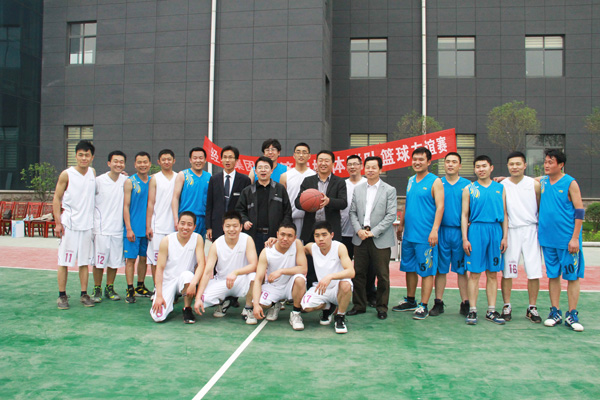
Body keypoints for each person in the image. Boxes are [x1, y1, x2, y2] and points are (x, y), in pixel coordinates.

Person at [393, 147, 444, 320]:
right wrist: (401, 225)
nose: (417, 162)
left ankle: (424, 305)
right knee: (409, 268)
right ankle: (411, 300)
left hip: (425, 236)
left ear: (429, 162)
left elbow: (440, 207)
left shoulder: (435, 181)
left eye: (421, 159)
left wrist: (434, 230)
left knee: (426, 271)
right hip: (409, 234)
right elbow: (407, 204)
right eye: (414, 159)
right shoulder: (411, 180)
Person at [538, 149, 585, 332]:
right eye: (545, 161)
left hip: (567, 241)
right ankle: (555, 311)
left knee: (572, 277)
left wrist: (575, 238)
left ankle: (572, 313)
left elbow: (579, 211)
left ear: (561, 165)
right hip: (548, 239)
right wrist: (505, 179)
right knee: (553, 276)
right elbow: (527, 180)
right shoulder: (543, 181)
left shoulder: (570, 183)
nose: (547, 165)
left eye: (551, 162)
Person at [348, 156, 397, 319]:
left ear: (380, 170)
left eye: (374, 167)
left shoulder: (389, 190)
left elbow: (391, 215)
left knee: (382, 275)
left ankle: (382, 307)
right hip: (361, 238)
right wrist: (358, 230)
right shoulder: (358, 189)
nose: (370, 170)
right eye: (367, 167)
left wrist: (374, 232)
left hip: (379, 238)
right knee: (359, 274)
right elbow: (352, 212)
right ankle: (359, 305)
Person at [461, 155, 508, 325]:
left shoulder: (500, 188)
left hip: (495, 231)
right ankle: (472, 310)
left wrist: (505, 236)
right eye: (478, 166)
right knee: (474, 273)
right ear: (474, 169)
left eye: (484, 166)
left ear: (491, 168)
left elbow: (504, 214)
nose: (481, 169)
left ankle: (491, 310)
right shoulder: (469, 189)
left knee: (492, 273)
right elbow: (464, 215)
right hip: (476, 231)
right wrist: (465, 238)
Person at [500, 151, 543, 323]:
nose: (515, 167)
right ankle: (506, 305)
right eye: (511, 164)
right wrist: (504, 236)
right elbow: (504, 212)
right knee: (508, 271)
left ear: (525, 165)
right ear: (507, 166)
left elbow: (539, 207)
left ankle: (532, 307)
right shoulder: (502, 185)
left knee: (533, 271)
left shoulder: (534, 184)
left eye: (518, 164)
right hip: (511, 231)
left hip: (531, 230)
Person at [193, 211, 258, 324]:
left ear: (241, 227)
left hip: (241, 280)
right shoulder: (216, 244)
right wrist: (198, 298)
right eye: (228, 226)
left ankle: (248, 308)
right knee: (204, 300)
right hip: (222, 281)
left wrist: (236, 273)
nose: (231, 229)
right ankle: (225, 301)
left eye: (235, 226)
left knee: (254, 277)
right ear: (223, 227)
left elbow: (254, 265)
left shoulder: (247, 240)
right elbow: (207, 272)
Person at [53, 140, 96, 309]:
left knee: (84, 262)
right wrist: (58, 223)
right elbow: (57, 198)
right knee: (64, 261)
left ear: (92, 157)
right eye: (81, 155)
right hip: (69, 225)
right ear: (76, 156)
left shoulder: (92, 172)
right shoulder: (67, 174)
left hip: (86, 226)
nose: (84, 158)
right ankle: (62, 295)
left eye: (87, 155)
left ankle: (84, 294)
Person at [295, 150, 347, 287]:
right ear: (316, 163)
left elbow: (343, 202)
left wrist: (329, 201)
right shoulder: (308, 181)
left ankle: (332, 292)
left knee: (332, 264)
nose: (323, 163)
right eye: (320, 160)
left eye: (327, 160)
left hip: (331, 231)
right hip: (311, 230)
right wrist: (307, 203)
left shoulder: (339, 182)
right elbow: (297, 202)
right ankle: (311, 293)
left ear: (333, 164)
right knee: (311, 265)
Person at [432, 152, 471, 316]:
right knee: (441, 270)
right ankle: (438, 302)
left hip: (459, 232)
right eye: (447, 161)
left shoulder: (468, 185)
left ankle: (466, 303)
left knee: (462, 270)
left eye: (454, 162)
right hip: (442, 231)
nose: (450, 164)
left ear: (460, 165)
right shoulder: (437, 183)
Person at [150, 211, 205, 324]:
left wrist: (194, 283)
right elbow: (159, 269)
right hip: (168, 281)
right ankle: (170, 297)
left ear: (194, 227)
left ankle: (187, 308)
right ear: (177, 224)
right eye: (182, 223)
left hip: (184, 280)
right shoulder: (167, 240)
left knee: (188, 276)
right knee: (158, 317)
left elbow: (201, 263)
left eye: (189, 224)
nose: (185, 227)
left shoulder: (197, 238)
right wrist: (159, 295)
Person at [301, 221, 355, 334]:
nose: (321, 239)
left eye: (324, 235)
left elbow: (351, 272)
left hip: (337, 289)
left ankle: (340, 317)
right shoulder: (311, 247)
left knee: (346, 284)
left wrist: (330, 276)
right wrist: (275, 242)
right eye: (317, 235)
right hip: (321, 288)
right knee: (305, 307)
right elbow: (294, 248)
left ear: (332, 235)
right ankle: (328, 307)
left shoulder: (339, 247)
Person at [251, 223, 308, 330]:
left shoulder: (297, 244)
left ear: (295, 237)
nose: (285, 238)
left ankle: (296, 314)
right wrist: (256, 305)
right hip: (274, 286)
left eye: (290, 236)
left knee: (300, 279)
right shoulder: (267, 251)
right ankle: (275, 304)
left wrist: (281, 271)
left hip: (290, 285)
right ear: (277, 234)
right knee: (259, 304)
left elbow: (303, 268)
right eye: (282, 234)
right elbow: (258, 279)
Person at [90, 150, 128, 303]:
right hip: (101, 229)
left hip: (118, 229)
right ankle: (97, 288)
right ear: (109, 163)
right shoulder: (98, 181)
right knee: (99, 262)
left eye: (121, 162)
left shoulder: (126, 181)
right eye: (115, 161)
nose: (118, 164)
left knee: (114, 262)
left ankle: (109, 287)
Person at [236, 156, 292, 256]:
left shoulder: (280, 189)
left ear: (271, 171)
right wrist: (244, 221)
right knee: (255, 262)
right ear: (255, 171)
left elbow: (287, 212)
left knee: (274, 261)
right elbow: (239, 210)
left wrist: (281, 232)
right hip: (254, 235)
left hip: (275, 235)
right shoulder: (247, 191)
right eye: (260, 167)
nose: (263, 170)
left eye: (266, 167)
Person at [341, 155, 376, 307]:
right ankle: (343, 294)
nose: (353, 167)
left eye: (356, 164)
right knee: (344, 266)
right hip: (344, 231)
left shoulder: (367, 183)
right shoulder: (342, 184)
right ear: (346, 167)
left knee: (368, 267)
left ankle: (370, 294)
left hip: (363, 233)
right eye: (350, 164)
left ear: (361, 166)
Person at [123, 151, 152, 303]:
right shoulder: (130, 182)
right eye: (139, 162)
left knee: (144, 258)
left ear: (150, 164)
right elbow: (126, 206)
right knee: (130, 260)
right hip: (133, 229)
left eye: (145, 162)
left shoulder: (153, 181)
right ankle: (130, 289)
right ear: (135, 164)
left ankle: (140, 285)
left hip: (146, 229)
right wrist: (128, 228)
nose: (142, 165)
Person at [206, 146, 251, 242]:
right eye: (225, 157)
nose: (227, 160)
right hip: (217, 225)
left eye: (230, 157)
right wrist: (209, 227)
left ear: (236, 160)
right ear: (221, 159)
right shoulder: (214, 179)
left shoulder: (245, 180)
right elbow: (209, 204)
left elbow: (246, 206)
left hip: (236, 226)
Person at [146, 149, 177, 273]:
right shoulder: (155, 178)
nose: (166, 162)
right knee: (156, 259)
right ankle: (156, 284)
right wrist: (148, 226)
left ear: (174, 161)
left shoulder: (179, 177)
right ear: (159, 162)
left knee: (173, 259)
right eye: (163, 160)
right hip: (157, 226)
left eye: (169, 159)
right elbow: (150, 203)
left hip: (174, 226)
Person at [172, 147, 211, 238]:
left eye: (201, 158)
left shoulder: (209, 176)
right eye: (195, 158)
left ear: (205, 160)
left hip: (202, 218)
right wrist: (176, 219)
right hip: (186, 218)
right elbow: (175, 198)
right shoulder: (183, 175)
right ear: (190, 160)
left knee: (199, 243)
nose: (198, 161)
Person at [279, 142, 316, 238]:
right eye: (298, 152)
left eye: (304, 152)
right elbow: (282, 199)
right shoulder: (285, 176)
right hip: (290, 218)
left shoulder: (314, 175)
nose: (301, 155)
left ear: (309, 156)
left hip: (310, 219)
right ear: (294, 155)